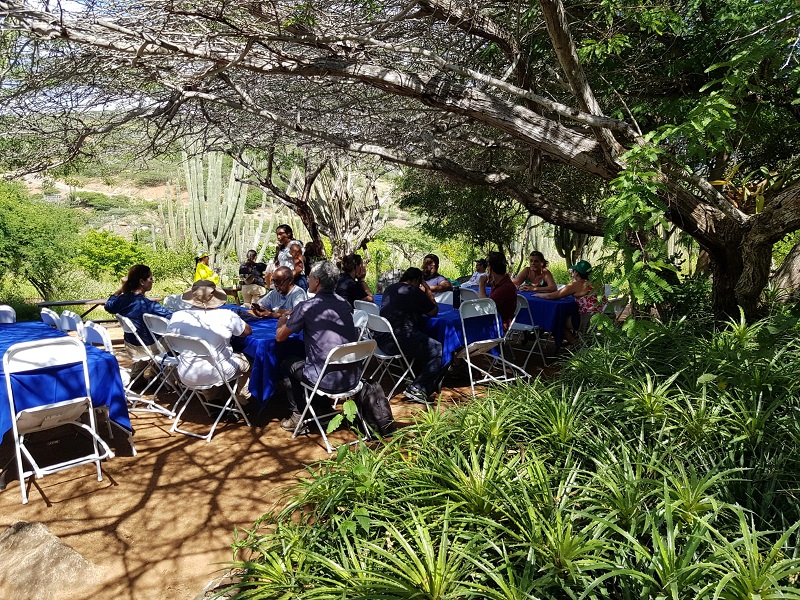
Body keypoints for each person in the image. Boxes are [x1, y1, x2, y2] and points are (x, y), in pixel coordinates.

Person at [275, 261, 358, 432]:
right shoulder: (345, 303)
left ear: (317, 281)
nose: (308, 279)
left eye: (310, 277)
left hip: (324, 380)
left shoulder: (307, 306)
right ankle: (323, 406)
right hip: (352, 377)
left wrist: (281, 322)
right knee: (316, 360)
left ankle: (297, 415)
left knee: (287, 363)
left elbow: (280, 337)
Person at [167, 280, 252, 401]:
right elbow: (247, 332)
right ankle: (243, 399)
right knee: (250, 359)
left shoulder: (177, 317)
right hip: (219, 372)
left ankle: (212, 399)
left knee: (205, 358)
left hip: (186, 372)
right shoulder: (226, 315)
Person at [379, 267, 443, 404]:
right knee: (436, 348)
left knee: (420, 338)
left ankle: (414, 376)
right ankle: (418, 388)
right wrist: (427, 290)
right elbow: (433, 312)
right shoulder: (413, 291)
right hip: (398, 341)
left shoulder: (390, 288)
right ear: (416, 280)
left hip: (381, 340)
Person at [105, 264, 173, 383]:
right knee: (174, 341)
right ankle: (169, 378)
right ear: (142, 281)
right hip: (147, 348)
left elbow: (108, 305)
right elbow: (172, 317)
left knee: (154, 339)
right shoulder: (148, 305)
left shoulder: (122, 299)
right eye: (150, 278)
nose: (152, 281)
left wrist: (121, 288)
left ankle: (146, 376)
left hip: (131, 345)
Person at [534, 260, 601, 344]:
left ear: (576, 273)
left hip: (588, 319)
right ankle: (579, 342)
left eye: (573, 271)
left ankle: (576, 344)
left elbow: (551, 296)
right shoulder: (597, 283)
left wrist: (538, 294)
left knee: (557, 320)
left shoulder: (576, 285)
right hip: (603, 317)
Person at [477, 252, 517, 331]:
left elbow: (485, 305)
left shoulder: (505, 287)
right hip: (492, 320)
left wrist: (481, 284)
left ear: (490, 269)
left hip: (497, 326)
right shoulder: (499, 283)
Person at [274, 224, 307, 291]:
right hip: (285, 281)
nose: (278, 237)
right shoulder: (284, 248)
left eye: (281, 234)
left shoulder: (294, 246)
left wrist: (285, 278)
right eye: (277, 234)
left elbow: (299, 268)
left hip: (296, 280)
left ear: (289, 234)